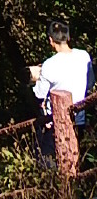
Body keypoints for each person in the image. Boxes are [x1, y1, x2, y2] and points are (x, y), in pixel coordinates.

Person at [30, 18, 95, 158]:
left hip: (55, 125)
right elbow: (89, 84)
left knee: (47, 163)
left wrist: (36, 77)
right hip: (80, 121)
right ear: (68, 37)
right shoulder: (84, 57)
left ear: (50, 40)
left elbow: (39, 95)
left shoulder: (49, 65)